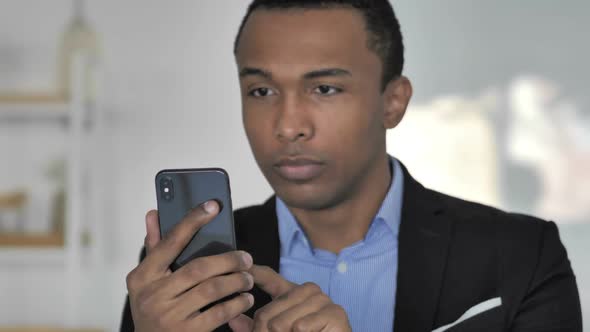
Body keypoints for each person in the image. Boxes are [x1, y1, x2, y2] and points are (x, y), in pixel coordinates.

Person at [120, 1, 582, 331]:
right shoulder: (184, 276)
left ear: (393, 102)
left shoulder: (523, 254)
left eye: (324, 89)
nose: (287, 126)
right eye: (262, 91)